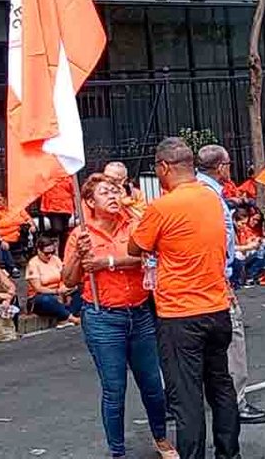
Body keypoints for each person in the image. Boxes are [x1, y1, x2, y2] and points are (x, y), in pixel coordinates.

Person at [130, 138, 239, 459]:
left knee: (187, 396)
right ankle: (228, 453)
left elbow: (135, 247)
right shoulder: (212, 198)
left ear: (164, 168)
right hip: (217, 307)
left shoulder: (162, 207)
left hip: (180, 314)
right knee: (220, 385)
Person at [62, 173, 177, 459]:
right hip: (103, 318)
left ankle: (161, 438)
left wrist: (107, 262)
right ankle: (117, 452)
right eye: (104, 192)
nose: (113, 196)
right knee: (114, 389)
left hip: (139, 313)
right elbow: (68, 279)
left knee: (152, 384)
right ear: (89, 202)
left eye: (115, 191)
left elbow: (148, 257)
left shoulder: (135, 225)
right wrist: (79, 255)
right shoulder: (81, 234)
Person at [195, 144, 265, 426]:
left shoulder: (197, 193)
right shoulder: (210, 196)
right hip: (215, 280)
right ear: (221, 166)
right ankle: (235, 401)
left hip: (199, 280)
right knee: (232, 339)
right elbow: (218, 241)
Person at [25, 235, 81, 327]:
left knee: (79, 291)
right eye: (46, 253)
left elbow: (63, 277)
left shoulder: (56, 260)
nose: (50, 255)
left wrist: (64, 290)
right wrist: (55, 292)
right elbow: (38, 288)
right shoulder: (33, 264)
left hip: (59, 292)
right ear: (39, 251)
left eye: (52, 252)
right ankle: (72, 318)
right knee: (47, 300)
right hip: (39, 297)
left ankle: (64, 317)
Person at [0, 192, 34, 260]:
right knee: (0, 243)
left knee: (32, 231)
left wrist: (32, 226)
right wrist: (1, 240)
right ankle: (11, 266)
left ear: (5, 200)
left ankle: (30, 257)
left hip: (19, 234)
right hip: (4, 237)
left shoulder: (16, 207)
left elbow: (28, 218)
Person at [40, 175, 76, 255]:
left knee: (64, 232)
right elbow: (45, 194)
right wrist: (44, 208)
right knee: (58, 229)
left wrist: (75, 207)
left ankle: (62, 253)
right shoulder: (49, 179)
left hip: (66, 208)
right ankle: (52, 246)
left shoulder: (68, 178)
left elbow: (73, 192)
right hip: (53, 208)